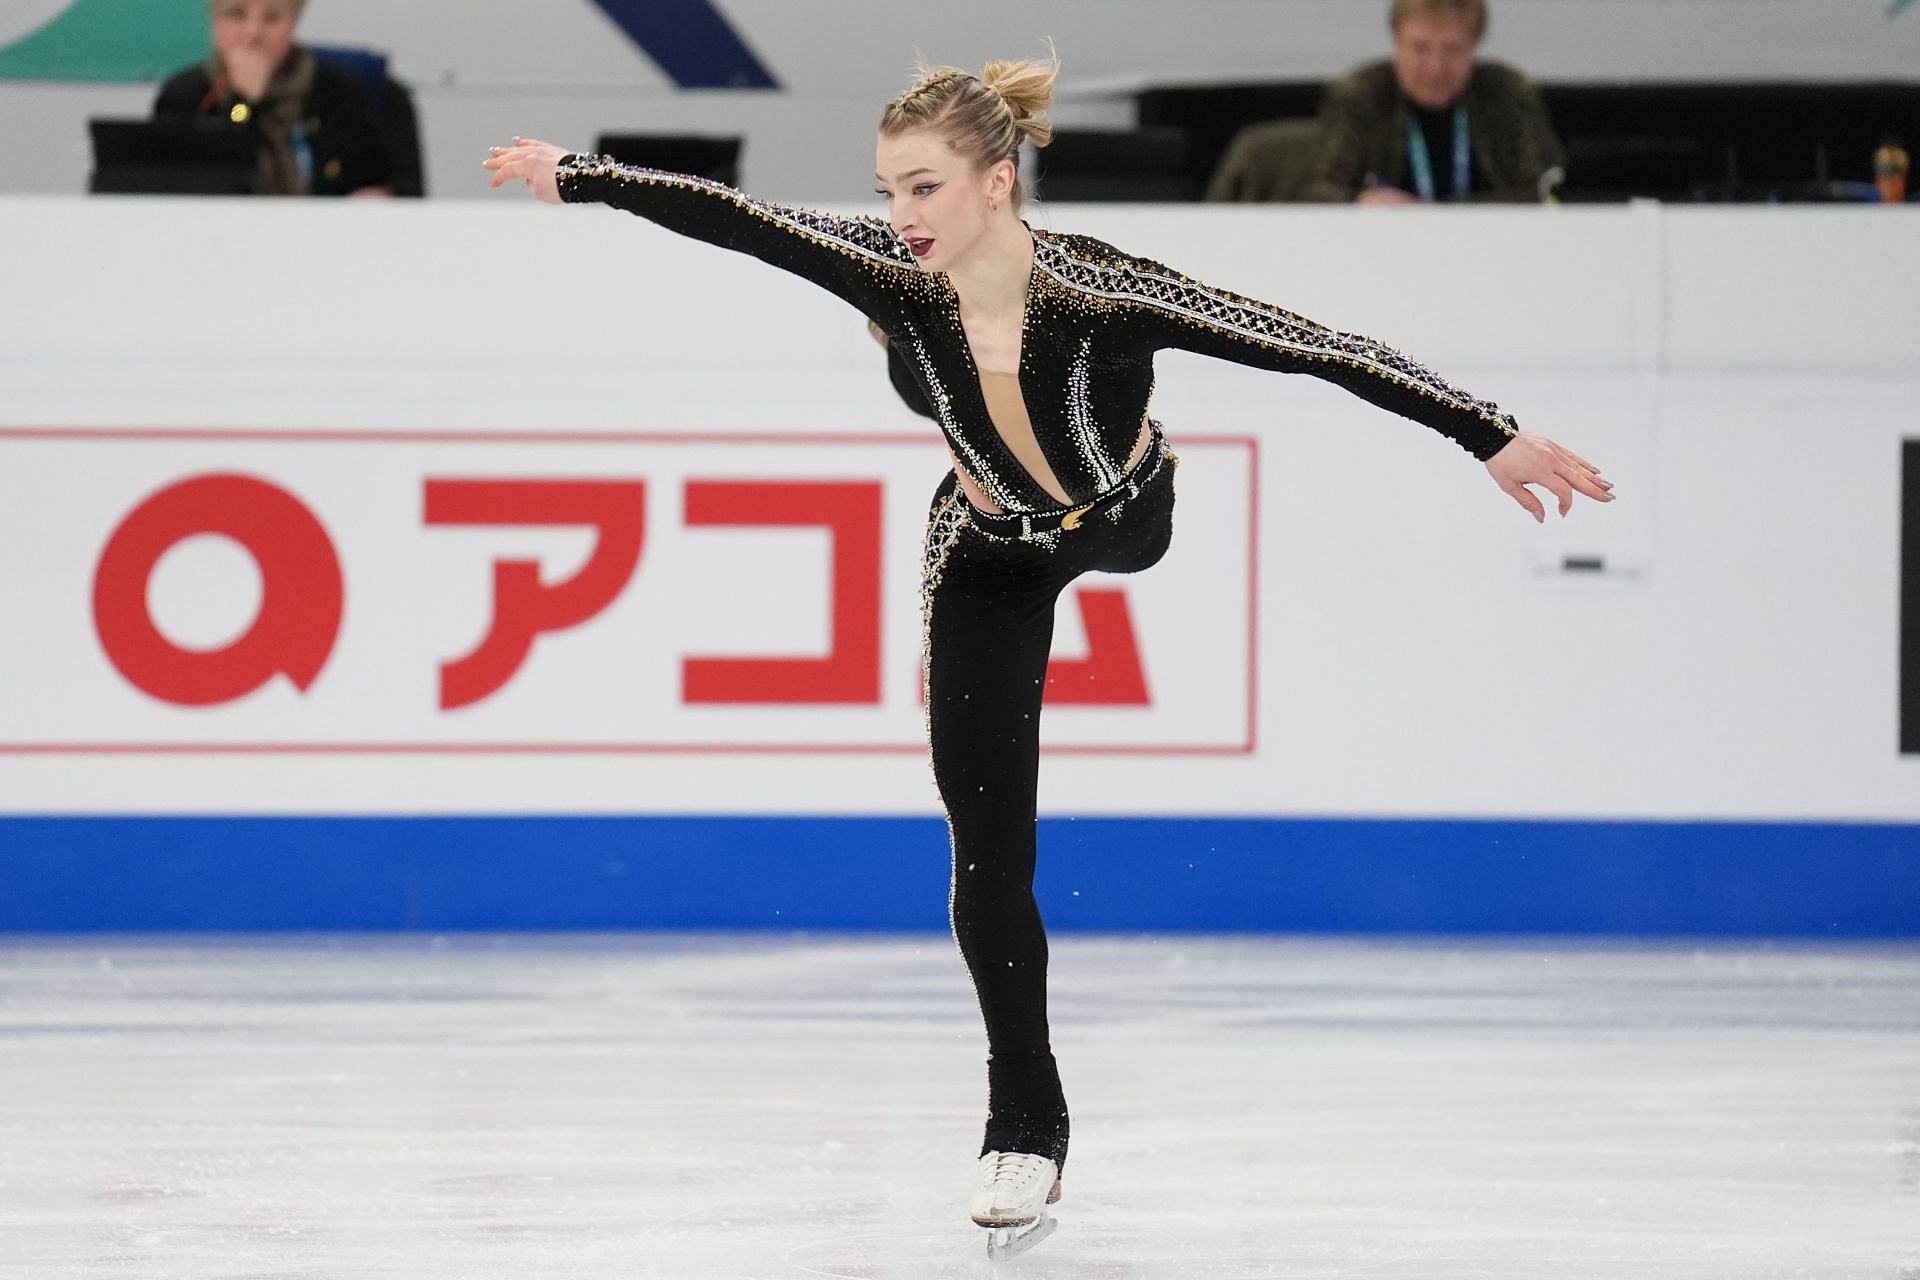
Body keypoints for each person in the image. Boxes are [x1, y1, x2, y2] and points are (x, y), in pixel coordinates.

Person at [483, 52, 1609, 1260]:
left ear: (999, 182)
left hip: (1129, 516)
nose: (900, 216)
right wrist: (578, 176)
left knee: (1111, 501)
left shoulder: (1101, 293)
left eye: (923, 188)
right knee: (988, 842)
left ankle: (1099, 480)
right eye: (887, 189)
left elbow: (1308, 342)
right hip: (986, 549)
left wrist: (1486, 433)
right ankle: (1025, 1112)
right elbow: (737, 218)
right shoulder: (890, 271)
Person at [1302, 0, 1564, 204]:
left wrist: (1443, 215)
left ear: (1474, 47)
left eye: (1453, 50)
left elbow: (1541, 188)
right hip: (1383, 247)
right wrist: (1358, 201)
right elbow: (1318, 191)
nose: (1435, 69)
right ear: (1397, 42)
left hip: (1490, 245)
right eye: (1420, 48)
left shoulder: (1508, 95)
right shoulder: (1360, 96)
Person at [154, 0, 395, 198]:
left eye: (272, 18)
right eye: (236, 15)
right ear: (214, 21)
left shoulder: (339, 91)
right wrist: (244, 102)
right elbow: (197, 185)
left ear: (293, 23)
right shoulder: (185, 95)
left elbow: (391, 179)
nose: (253, 33)